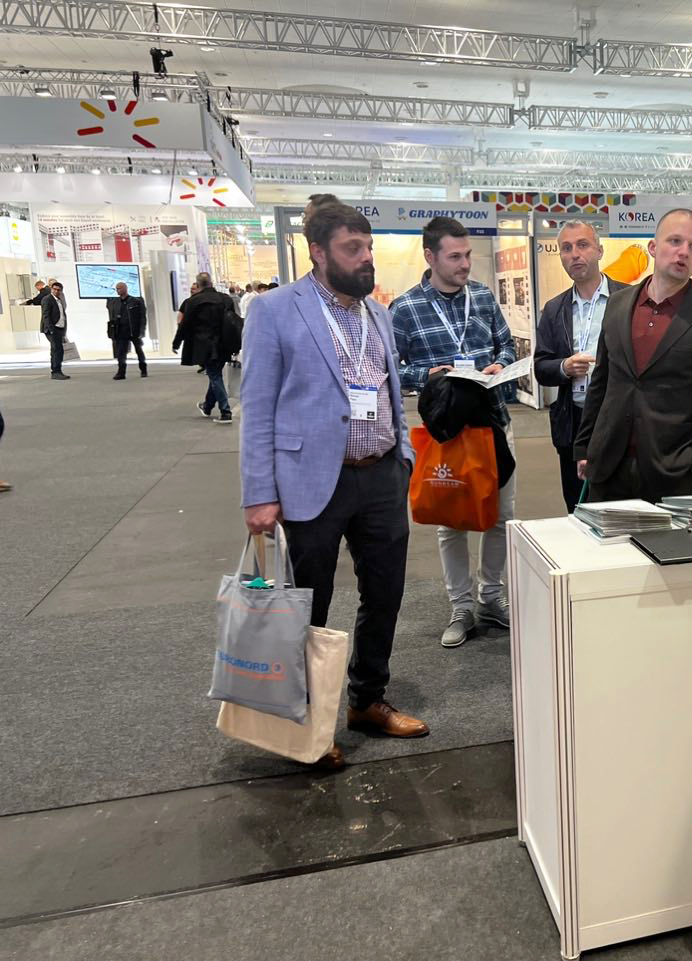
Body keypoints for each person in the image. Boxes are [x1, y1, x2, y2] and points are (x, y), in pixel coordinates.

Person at [241, 202, 425, 766]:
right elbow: (257, 407)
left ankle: (367, 699)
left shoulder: (378, 312)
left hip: (381, 476)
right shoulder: (274, 310)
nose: (366, 258)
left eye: (368, 247)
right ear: (317, 252)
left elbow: (389, 389)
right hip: (310, 481)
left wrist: (404, 453)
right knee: (308, 604)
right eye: (353, 248)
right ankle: (306, 723)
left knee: (385, 595)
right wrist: (259, 492)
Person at [390, 215, 516, 649]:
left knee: (501, 517)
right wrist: (427, 374)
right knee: (450, 523)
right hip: (445, 433)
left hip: (493, 423)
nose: (465, 265)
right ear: (430, 256)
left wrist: (500, 364)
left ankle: (491, 598)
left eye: (468, 256)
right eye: (455, 257)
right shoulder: (406, 308)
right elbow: (390, 369)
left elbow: (507, 344)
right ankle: (461, 607)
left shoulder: (482, 296)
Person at [573, 208, 692, 503]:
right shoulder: (617, 305)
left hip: (673, 476)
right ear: (653, 247)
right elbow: (602, 381)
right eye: (675, 241)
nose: (683, 252)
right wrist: (586, 446)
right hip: (607, 470)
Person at [534, 220, 628, 512]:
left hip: (620, 421)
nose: (574, 254)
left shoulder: (629, 300)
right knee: (578, 509)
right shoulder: (554, 309)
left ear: (599, 250)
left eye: (583, 245)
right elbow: (541, 367)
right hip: (573, 423)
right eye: (566, 248)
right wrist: (564, 367)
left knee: (623, 508)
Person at [173, 273, 238, 424]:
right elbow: (233, 321)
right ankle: (207, 406)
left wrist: (176, 342)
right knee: (215, 374)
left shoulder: (193, 302)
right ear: (211, 282)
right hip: (224, 342)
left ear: (198, 284)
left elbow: (185, 324)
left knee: (214, 375)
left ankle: (225, 411)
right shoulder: (225, 299)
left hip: (204, 344)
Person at [106, 281, 149, 380]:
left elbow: (142, 317)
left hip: (134, 331)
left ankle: (143, 369)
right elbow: (112, 316)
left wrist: (142, 331)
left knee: (139, 351)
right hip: (121, 331)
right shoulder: (115, 302)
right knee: (121, 353)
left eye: (120, 288)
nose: (118, 290)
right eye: (117, 289)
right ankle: (121, 372)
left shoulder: (136, 301)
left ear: (125, 288)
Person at [40, 280, 70, 380]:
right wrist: (51, 329)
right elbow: (46, 315)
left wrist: (64, 329)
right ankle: (56, 371)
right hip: (52, 329)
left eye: (58, 290)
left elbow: (61, 314)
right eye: (55, 289)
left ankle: (57, 370)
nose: (56, 291)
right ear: (51, 289)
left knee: (58, 350)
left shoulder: (59, 300)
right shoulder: (47, 299)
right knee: (57, 349)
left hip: (60, 328)